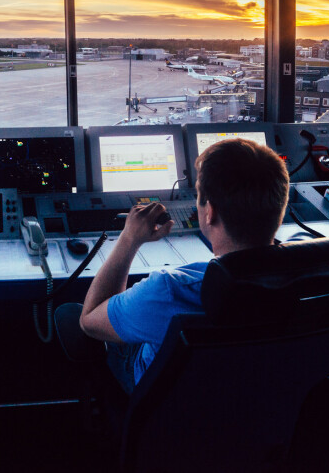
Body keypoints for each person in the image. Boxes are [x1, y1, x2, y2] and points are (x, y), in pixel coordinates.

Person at [78, 137, 290, 393]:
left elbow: (90, 320)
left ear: (209, 212)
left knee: (73, 314)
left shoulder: (168, 290)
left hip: (170, 411)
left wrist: (129, 239)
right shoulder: (310, 273)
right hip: (261, 403)